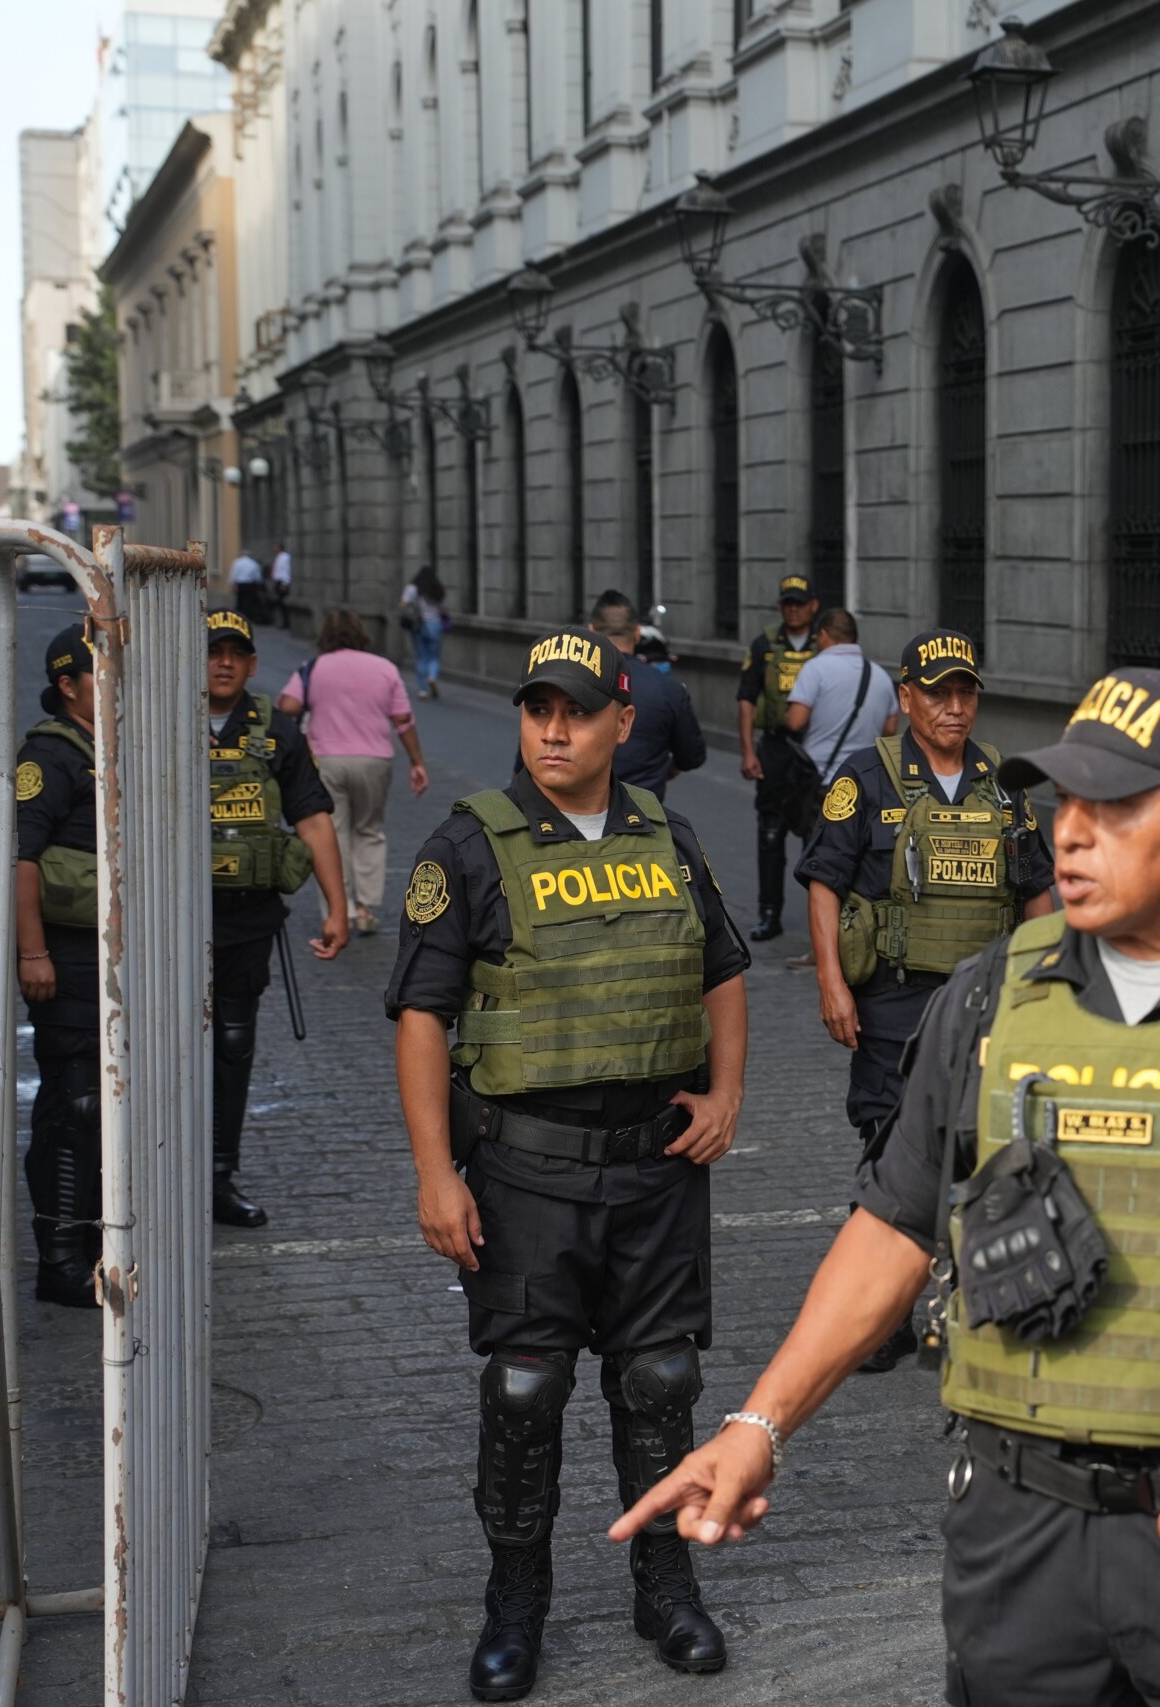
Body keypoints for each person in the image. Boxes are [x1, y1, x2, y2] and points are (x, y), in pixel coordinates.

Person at [613, 668, 1160, 1706]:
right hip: (1019, 1541)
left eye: (1113, 807)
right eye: (1064, 803)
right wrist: (756, 1428)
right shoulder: (989, 997)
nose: (1070, 835)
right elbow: (896, 1225)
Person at [389, 625, 751, 1698]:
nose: (554, 728)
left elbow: (721, 969)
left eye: (577, 710)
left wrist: (727, 1094)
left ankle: (666, 1584)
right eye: (538, 708)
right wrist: (434, 1175)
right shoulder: (466, 846)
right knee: (525, 1388)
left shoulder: (670, 836)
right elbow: (419, 1015)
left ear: (621, 724)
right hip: (525, 1174)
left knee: (659, 1381)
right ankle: (516, 1603)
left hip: (654, 1167)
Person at [794, 627, 1055, 1371]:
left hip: (984, 1007)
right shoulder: (865, 777)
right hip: (892, 1006)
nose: (953, 706)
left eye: (965, 691)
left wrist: (1046, 992)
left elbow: (1037, 892)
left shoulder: (1005, 782)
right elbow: (825, 882)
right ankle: (881, 1318)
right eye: (937, 692)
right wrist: (831, 982)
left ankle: (978, 1305)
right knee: (888, 1154)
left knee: (984, 1152)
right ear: (905, 697)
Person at [204, 608, 351, 1227]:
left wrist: (336, 907)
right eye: (214, 651)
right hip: (169, 919)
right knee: (164, 1045)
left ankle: (217, 1176)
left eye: (236, 652)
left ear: (253, 664)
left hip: (245, 917)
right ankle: (154, 1171)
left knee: (233, 1044)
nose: (224, 662)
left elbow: (314, 818)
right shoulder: (155, 716)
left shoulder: (274, 731)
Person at [13, 625, 106, 1306]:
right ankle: (61, 1256)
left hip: (103, 957)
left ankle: (96, 1239)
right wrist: (32, 951)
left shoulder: (107, 744)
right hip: (65, 959)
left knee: (99, 1104)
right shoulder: (48, 754)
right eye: (94, 673)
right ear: (67, 683)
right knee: (71, 1103)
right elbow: (22, 859)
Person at [278, 609, 430, 937]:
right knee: (369, 830)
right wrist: (417, 761)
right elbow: (403, 718)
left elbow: (287, 705)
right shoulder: (384, 668)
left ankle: (340, 908)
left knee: (332, 833)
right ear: (362, 634)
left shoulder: (314, 667)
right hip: (374, 760)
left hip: (326, 760)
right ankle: (366, 907)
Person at [733, 575, 820, 941]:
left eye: (799, 602)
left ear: (813, 605)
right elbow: (746, 698)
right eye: (787, 603)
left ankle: (821, 920)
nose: (793, 609)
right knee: (770, 834)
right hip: (775, 749)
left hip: (815, 751)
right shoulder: (765, 644)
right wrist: (748, 751)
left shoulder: (825, 643)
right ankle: (770, 913)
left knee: (816, 837)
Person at [592, 590, 706, 799]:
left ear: (591, 630)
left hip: (575, 820)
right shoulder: (669, 689)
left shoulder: (567, 682)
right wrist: (666, 766)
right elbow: (691, 756)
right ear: (637, 633)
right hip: (643, 821)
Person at [782, 607, 896, 798]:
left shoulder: (815, 669)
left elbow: (795, 721)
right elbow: (890, 730)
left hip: (824, 781)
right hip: (866, 783)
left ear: (824, 635)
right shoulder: (881, 675)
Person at [403, 566, 449, 700]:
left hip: (418, 626)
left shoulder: (412, 589)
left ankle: (422, 690)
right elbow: (444, 609)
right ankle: (432, 677)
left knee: (421, 657)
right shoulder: (438, 589)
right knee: (434, 656)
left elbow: (403, 605)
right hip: (435, 625)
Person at [229, 546, 266, 621]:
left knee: (240, 600)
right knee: (249, 601)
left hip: (241, 584)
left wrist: (232, 585)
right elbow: (258, 577)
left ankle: (239, 616)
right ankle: (248, 616)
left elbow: (233, 574)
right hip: (250, 585)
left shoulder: (237, 562)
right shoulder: (253, 563)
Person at [270, 540, 294, 627]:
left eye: (276, 547)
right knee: (279, 603)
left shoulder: (285, 557)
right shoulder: (278, 557)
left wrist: (285, 582)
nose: (274, 549)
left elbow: (286, 570)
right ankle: (283, 621)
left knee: (282, 602)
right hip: (277, 581)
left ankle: (286, 622)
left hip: (282, 582)